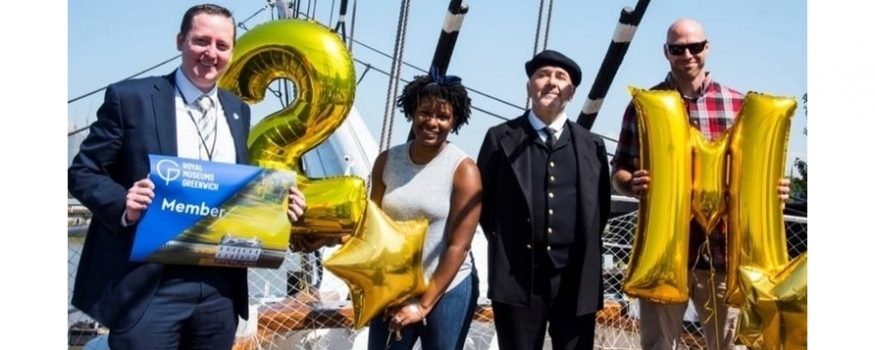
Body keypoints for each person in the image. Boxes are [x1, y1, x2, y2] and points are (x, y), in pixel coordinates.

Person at [67, 4, 306, 349]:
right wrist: (123, 202)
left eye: (222, 45)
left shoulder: (239, 111)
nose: (211, 53)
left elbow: (234, 191)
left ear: (232, 52)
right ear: (181, 41)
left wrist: (276, 204)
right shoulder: (130, 98)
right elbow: (83, 171)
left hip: (219, 288)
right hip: (149, 286)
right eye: (201, 41)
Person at [611, 18, 791, 350]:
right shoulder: (644, 107)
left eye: (694, 47)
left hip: (723, 256)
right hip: (664, 256)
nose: (687, 55)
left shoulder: (739, 106)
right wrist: (630, 183)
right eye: (678, 48)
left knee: (727, 346)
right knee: (657, 345)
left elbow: (759, 173)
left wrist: (775, 191)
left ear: (707, 48)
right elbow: (618, 170)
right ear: (666, 52)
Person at [477, 49, 612, 350]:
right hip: (517, 279)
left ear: (571, 92)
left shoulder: (593, 146)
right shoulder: (499, 138)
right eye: (542, 75)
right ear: (529, 87)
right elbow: (484, 207)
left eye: (560, 77)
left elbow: (599, 209)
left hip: (575, 281)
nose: (551, 82)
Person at [363, 71, 482, 350]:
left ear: (455, 121)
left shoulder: (464, 170)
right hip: (394, 288)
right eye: (424, 113)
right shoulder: (387, 161)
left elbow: (458, 247)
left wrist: (423, 305)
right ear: (412, 112)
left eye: (443, 117)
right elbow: (372, 228)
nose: (432, 122)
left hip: (447, 288)